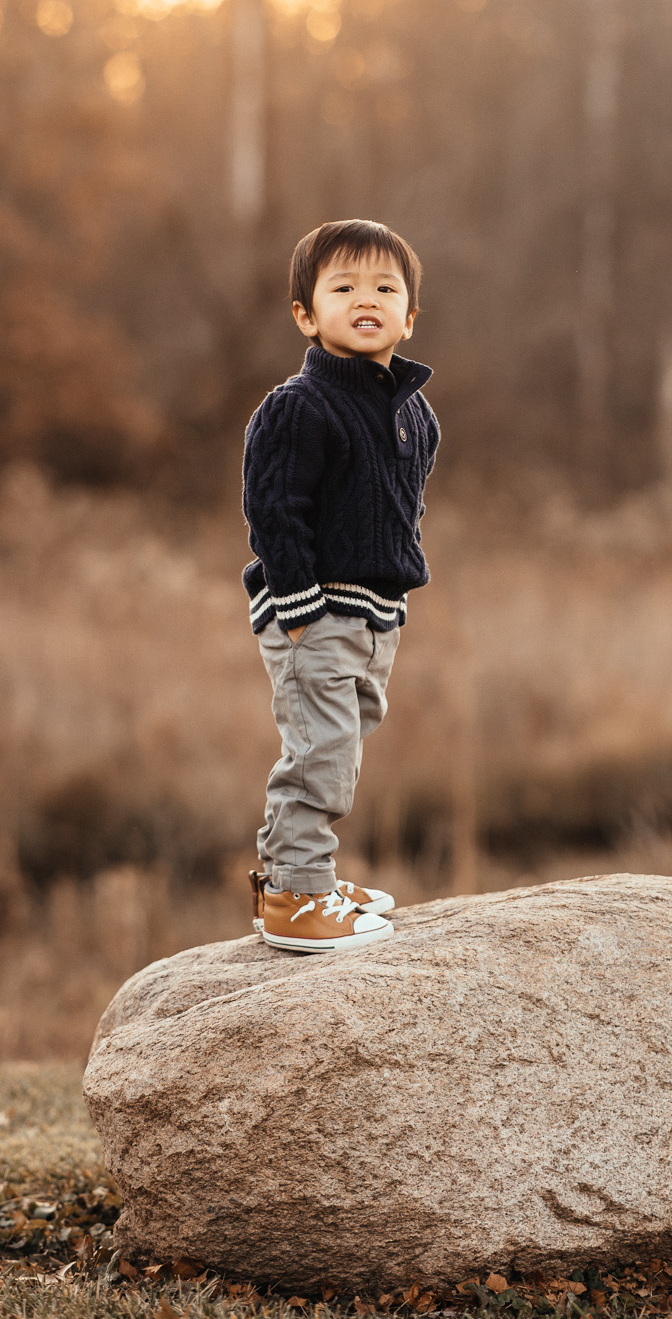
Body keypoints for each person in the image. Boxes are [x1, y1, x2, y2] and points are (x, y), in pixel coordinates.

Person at [241, 219, 438, 951]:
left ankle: (309, 877)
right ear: (305, 312)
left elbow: (398, 509)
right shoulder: (299, 407)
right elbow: (274, 510)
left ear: (409, 316)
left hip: (374, 615)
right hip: (313, 611)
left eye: (386, 288)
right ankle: (295, 895)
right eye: (344, 286)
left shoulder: (413, 413)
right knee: (318, 752)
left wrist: (389, 608)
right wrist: (299, 611)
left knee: (343, 747)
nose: (367, 299)